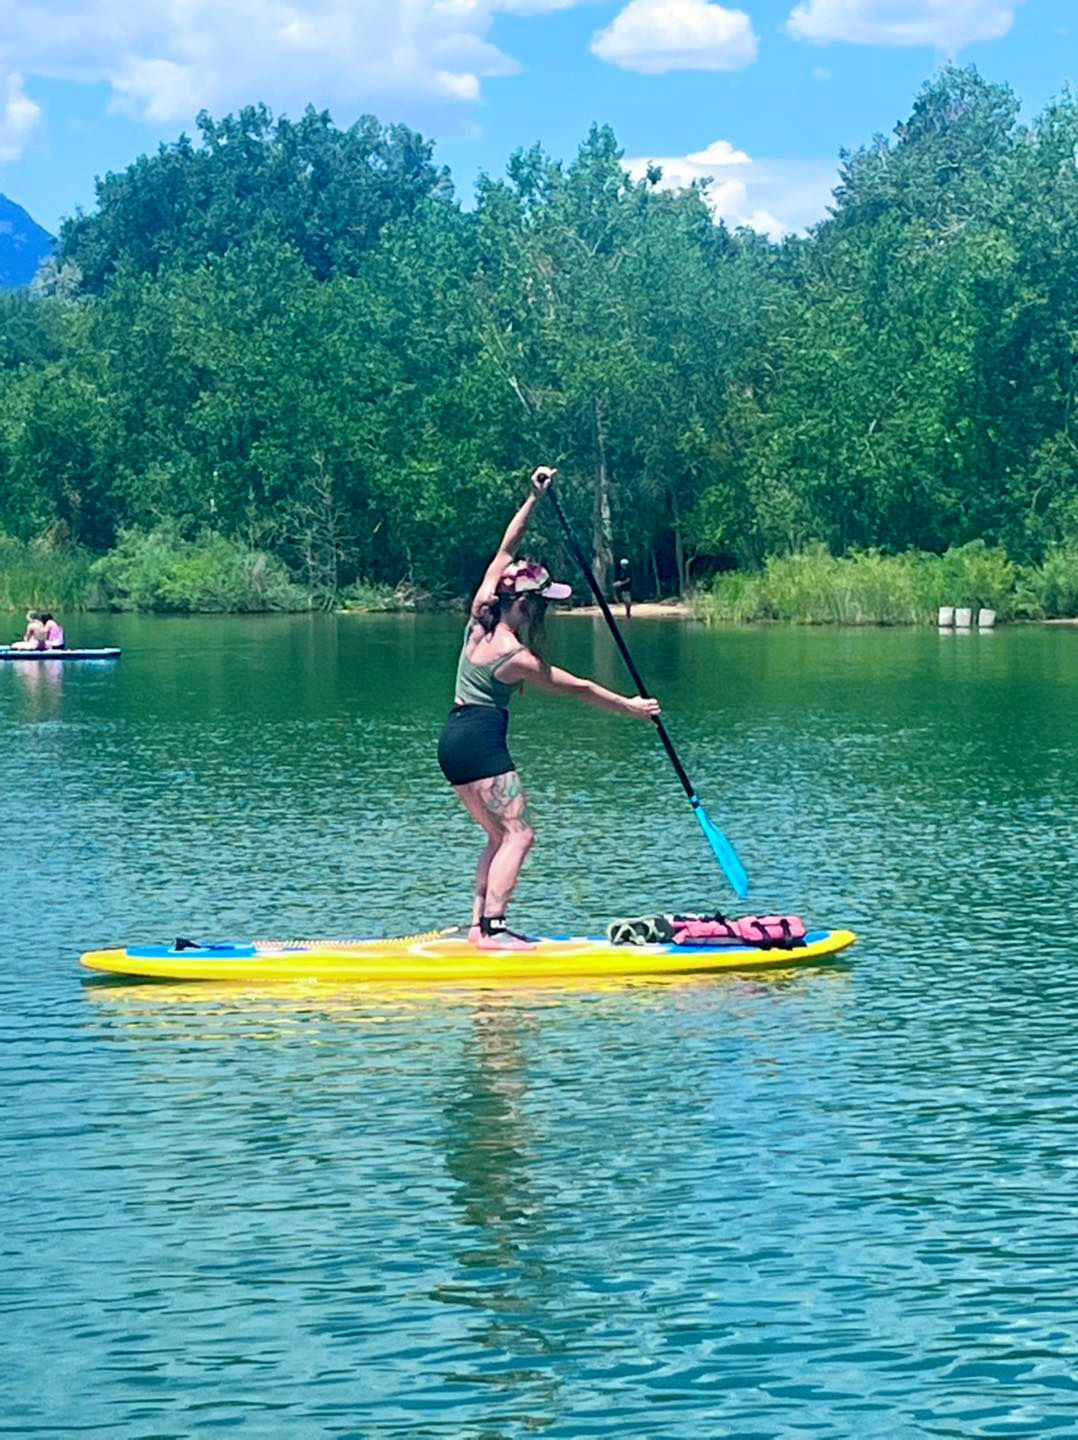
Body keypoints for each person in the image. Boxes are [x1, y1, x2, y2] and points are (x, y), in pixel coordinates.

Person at [438, 467, 661, 950]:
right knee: (519, 836)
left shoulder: (479, 616)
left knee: (499, 837)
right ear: (528, 605)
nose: (548, 612)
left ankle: (479, 928)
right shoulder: (515, 657)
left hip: (452, 743)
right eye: (544, 604)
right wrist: (631, 708)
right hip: (480, 745)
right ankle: (494, 931)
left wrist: (534, 498)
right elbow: (578, 687)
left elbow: (505, 547)